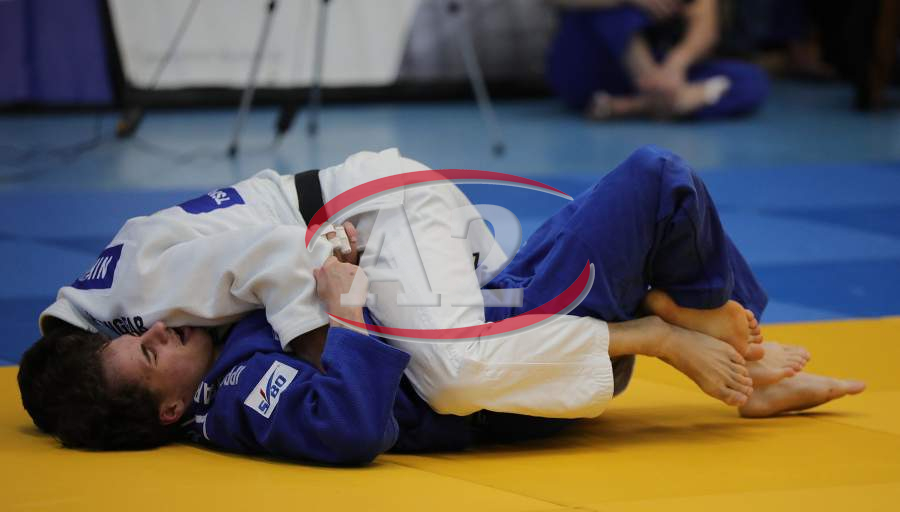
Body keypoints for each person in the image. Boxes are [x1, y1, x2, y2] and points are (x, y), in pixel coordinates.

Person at [16, 252, 864, 463]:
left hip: (506, 338)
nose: (159, 331)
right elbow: (351, 428)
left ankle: (679, 318)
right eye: (147, 354)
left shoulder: (223, 352)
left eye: (141, 330)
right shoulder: (236, 399)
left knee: (653, 194)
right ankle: (668, 331)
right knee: (654, 176)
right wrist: (345, 310)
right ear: (170, 409)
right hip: (518, 382)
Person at [546, 0, 769, 120]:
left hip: (663, 78)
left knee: (750, 80)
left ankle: (637, 106)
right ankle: (667, 98)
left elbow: (705, 28)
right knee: (617, 12)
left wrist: (675, 66)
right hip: (593, 68)